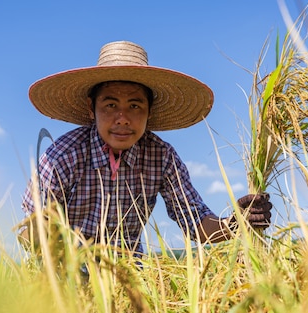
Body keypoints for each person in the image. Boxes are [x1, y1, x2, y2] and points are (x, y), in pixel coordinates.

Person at [20, 41, 272, 254]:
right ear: (91, 108)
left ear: (149, 111)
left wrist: (235, 222)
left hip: (130, 277)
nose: (122, 118)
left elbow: (195, 222)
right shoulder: (63, 156)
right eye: (109, 105)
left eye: (134, 106)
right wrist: (42, 231)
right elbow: (28, 234)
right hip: (66, 274)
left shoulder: (161, 157)